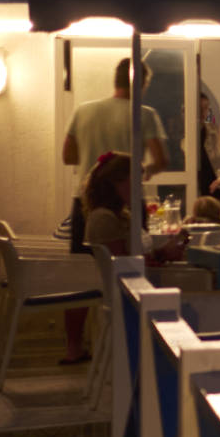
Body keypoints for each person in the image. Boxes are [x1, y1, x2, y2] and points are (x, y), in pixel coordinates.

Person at [62, 59, 168, 255]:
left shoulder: (83, 110)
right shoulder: (144, 115)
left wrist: (95, 158)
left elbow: (68, 156)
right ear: (142, 85)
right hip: (125, 201)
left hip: (86, 199)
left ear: (115, 80)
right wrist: (143, 171)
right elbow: (161, 160)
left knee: (83, 263)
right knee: (132, 263)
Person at [59, 150, 134, 363]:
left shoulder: (114, 215)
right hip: (123, 297)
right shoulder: (104, 219)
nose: (139, 188)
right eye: (134, 180)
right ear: (116, 183)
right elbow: (124, 268)